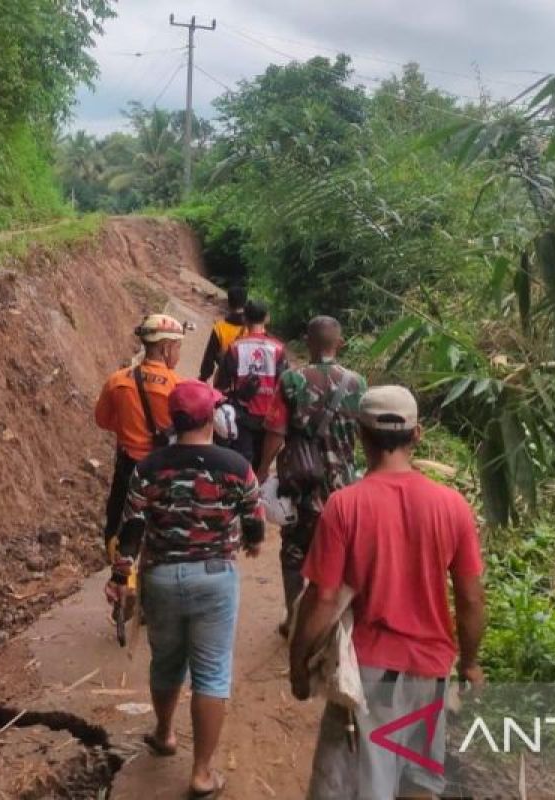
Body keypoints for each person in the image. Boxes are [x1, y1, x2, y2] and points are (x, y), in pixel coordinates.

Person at [289, 386, 486, 800]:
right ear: (418, 435)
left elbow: (323, 598)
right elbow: (470, 597)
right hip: (430, 672)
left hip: (371, 673)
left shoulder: (345, 506)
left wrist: (299, 662)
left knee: (357, 784)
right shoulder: (452, 506)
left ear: (361, 434)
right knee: (418, 781)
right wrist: (468, 663)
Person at [106, 380, 264, 799]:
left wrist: (120, 578)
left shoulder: (149, 468)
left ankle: (164, 733)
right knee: (211, 673)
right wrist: (250, 540)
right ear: (210, 416)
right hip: (214, 578)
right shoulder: (236, 466)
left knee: (166, 662)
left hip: (161, 577)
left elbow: (131, 532)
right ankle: (201, 772)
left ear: (173, 420)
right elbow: (255, 523)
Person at [256, 316, 367, 631]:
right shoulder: (358, 383)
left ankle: (295, 618)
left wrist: (262, 470)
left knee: (294, 552)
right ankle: (336, 621)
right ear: (340, 344)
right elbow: (365, 432)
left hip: (303, 484)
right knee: (343, 552)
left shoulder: (292, 380)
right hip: (345, 486)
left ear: (308, 341)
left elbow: (276, 431)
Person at [94, 314, 184, 555]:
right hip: (163, 470)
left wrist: (129, 427)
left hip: (127, 466)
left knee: (118, 522)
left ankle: (121, 576)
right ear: (166, 348)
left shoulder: (117, 380)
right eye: (177, 347)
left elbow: (102, 420)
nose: (178, 353)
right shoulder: (177, 387)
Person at [217, 300, 288, 465]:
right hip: (269, 419)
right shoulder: (278, 349)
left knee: (242, 464)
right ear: (267, 318)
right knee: (261, 465)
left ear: (244, 319)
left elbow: (222, 386)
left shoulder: (234, 348)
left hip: (243, 417)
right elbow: (283, 385)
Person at [198, 285, 248, 385]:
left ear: (228, 303)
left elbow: (209, 357)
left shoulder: (220, 328)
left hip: (223, 378)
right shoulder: (251, 329)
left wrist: (202, 378)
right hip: (245, 380)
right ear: (245, 303)